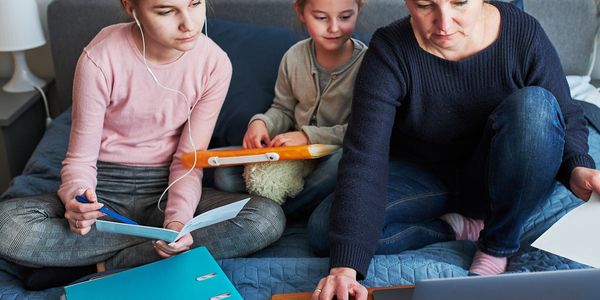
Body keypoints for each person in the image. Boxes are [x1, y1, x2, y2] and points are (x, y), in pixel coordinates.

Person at [309, 0, 600, 299]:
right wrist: (344, 269)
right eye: (424, 5)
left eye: (459, 2)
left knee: (536, 108)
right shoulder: (389, 50)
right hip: (427, 174)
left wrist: (576, 166)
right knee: (326, 232)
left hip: (502, 174)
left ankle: (497, 242)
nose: (444, 23)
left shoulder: (523, 33)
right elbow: (364, 157)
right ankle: (456, 228)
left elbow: (567, 115)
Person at [0, 0, 285, 290]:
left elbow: (187, 161)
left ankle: (100, 265)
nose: (189, 24)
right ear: (130, 7)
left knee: (266, 218)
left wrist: (177, 223)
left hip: (166, 189)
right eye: (166, 11)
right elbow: (79, 160)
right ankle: (138, 252)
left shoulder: (214, 63)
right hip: (103, 190)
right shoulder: (101, 56)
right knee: (5, 226)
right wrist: (77, 200)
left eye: (195, 3)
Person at [213, 0, 368, 220]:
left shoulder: (368, 64)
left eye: (345, 17)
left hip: (332, 156)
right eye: (321, 18)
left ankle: (278, 214)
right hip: (292, 157)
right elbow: (282, 108)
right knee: (224, 174)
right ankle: (288, 207)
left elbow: (364, 129)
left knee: (342, 163)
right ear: (301, 12)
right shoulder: (294, 57)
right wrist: (261, 123)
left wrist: (308, 136)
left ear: (358, 10)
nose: (334, 28)